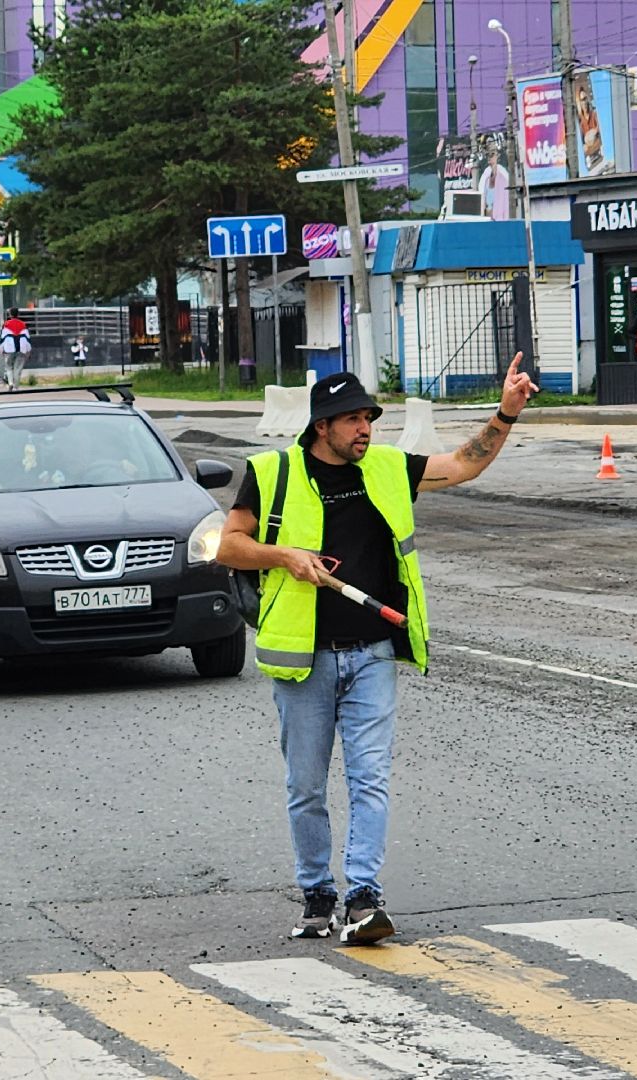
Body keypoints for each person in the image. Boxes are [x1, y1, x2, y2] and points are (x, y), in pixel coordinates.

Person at [216, 357, 537, 945]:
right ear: (322, 426)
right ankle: (317, 894)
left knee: (369, 778)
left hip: (373, 653)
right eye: (353, 419)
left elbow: (465, 465)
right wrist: (285, 555)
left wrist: (507, 411)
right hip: (303, 657)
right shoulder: (272, 473)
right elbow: (229, 546)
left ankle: (364, 897)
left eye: (369, 417)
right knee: (306, 785)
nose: (365, 428)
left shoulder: (388, 469)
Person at [0, 308, 32, 390]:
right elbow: (27, 338)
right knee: (18, 368)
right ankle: (16, 387)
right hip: (21, 349)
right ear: (18, 314)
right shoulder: (23, 324)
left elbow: (2, 338)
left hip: (9, 348)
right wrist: (28, 350)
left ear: (10, 314)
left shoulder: (6, 324)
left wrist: (1, 349)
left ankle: (10, 383)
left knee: (8, 366)